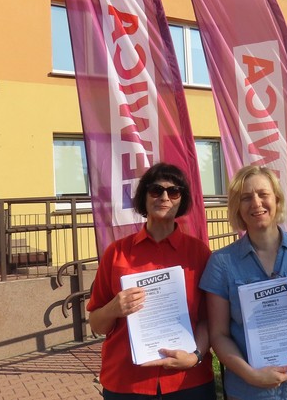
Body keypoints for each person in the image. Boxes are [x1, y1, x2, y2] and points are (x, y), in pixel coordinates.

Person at [200, 165, 287, 400]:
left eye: (263, 194)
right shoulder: (221, 263)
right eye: (246, 198)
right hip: (251, 393)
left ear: (276, 199)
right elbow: (219, 335)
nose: (256, 203)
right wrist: (251, 376)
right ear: (237, 207)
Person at [87, 163, 216, 400]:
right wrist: (113, 309)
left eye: (174, 192)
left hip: (187, 381)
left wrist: (195, 356)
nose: (164, 197)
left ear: (181, 200)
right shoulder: (116, 253)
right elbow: (97, 324)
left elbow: (209, 319)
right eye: (156, 190)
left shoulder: (199, 253)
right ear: (144, 198)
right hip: (127, 381)